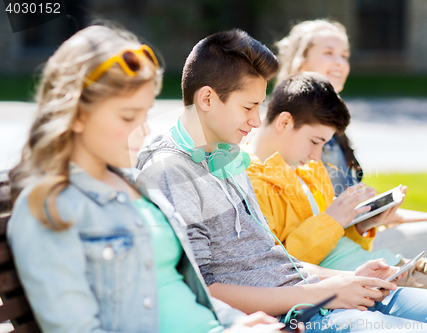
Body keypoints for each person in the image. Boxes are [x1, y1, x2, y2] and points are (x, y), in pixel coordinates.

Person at [137, 28, 427, 333]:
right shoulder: (172, 169)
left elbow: (275, 260)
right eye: (248, 107)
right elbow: (205, 288)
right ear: (207, 99)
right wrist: (325, 293)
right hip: (306, 314)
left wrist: (345, 278)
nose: (255, 121)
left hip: (322, 293)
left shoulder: (229, 154)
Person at [7, 25, 286, 333]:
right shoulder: (51, 211)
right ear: (77, 114)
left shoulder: (134, 186)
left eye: (144, 115)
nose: (143, 131)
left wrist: (239, 321)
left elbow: (178, 286)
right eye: (128, 117)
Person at [245, 71, 427, 303]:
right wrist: (332, 219)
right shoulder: (250, 180)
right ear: (284, 123)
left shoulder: (308, 168)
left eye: (323, 144)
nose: (316, 154)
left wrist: (362, 225)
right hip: (377, 283)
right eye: (314, 141)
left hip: (396, 264)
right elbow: (281, 267)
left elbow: (336, 241)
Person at [275, 19, 427, 279]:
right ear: (300, 61)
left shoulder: (332, 127)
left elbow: (349, 207)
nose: (340, 62)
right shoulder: (288, 129)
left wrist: (404, 215)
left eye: (345, 55)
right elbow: (310, 219)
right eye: (328, 53)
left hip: (363, 234)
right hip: (341, 252)